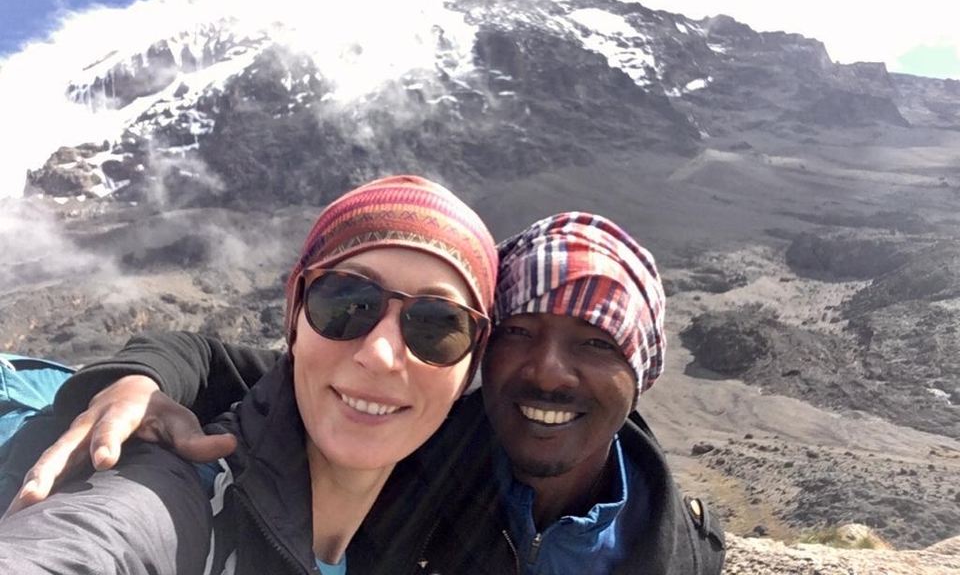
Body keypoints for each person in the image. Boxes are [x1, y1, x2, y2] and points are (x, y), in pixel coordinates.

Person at [5, 212, 725, 574]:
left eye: (598, 343)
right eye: (518, 333)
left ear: (644, 371)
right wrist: (133, 381)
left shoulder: (678, 546)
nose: (548, 372)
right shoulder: (417, 434)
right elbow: (217, 362)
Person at [0, 174, 499, 575]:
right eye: (347, 302)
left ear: (470, 369)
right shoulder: (178, 500)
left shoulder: (444, 513)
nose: (382, 354)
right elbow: (91, 544)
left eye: (438, 326)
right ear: (294, 322)